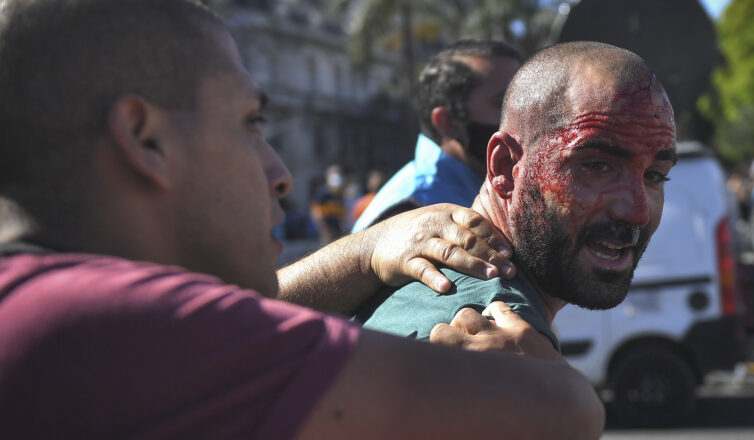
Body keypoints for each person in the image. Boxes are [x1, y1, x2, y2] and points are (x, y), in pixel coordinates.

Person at [0, 1, 604, 439]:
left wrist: (363, 251)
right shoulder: (100, 329)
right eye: (249, 124)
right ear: (143, 138)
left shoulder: (44, 304)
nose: (280, 170)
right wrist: (577, 397)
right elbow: (548, 407)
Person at [356, 42, 678, 349]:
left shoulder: (516, 345)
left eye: (655, 176)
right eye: (597, 166)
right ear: (506, 167)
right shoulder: (491, 342)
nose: (637, 212)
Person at [352, 40, 522, 232]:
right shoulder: (412, 211)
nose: (523, 113)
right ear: (447, 123)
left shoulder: (479, 182)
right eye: (502, 103)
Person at [310, 164, 348, 244]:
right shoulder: (322, 193)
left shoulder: (340, 194)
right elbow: (315, 212)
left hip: (339, 231)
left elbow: (343, 213)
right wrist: (323, 229)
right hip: (327, 232)